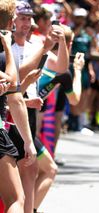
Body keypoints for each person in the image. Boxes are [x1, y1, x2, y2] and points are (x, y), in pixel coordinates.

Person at [0, 0, 37, 212]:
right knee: (15, 199)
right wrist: (28, 142)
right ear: (10, 22)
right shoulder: (3, 51)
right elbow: (14, 91)